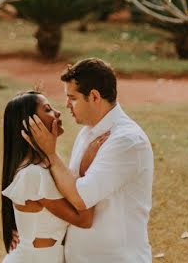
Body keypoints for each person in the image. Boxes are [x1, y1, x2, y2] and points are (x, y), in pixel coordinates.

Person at [26, 58, 154, 263]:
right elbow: (67, 190)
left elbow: (80, 198)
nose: (66, 105)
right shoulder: (87, 133)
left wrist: (50, 154)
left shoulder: (128, 141)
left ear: (94, 96)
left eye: (73, 98)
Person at [1, 91, 104, 262]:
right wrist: (88, 166)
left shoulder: (46, 165)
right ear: (31, 124)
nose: (57, 113)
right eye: (47, 109)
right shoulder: (33, 174)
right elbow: (84, 220)